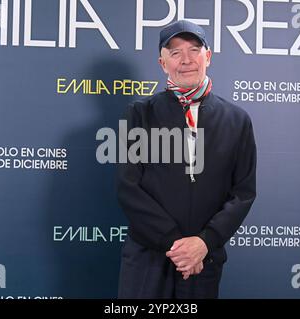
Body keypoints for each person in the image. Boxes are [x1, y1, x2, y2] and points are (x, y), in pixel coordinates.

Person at [117, 20, 257, 299]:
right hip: (148, 259)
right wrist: (177, 245)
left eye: (194, 50)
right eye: (175, 52)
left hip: (203, 262)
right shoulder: (139, 114)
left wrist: (204, 243)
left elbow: (243, 193)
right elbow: (128, 187)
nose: (186, 60)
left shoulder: (237, 120)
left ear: (208, 56)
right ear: (162, 62)